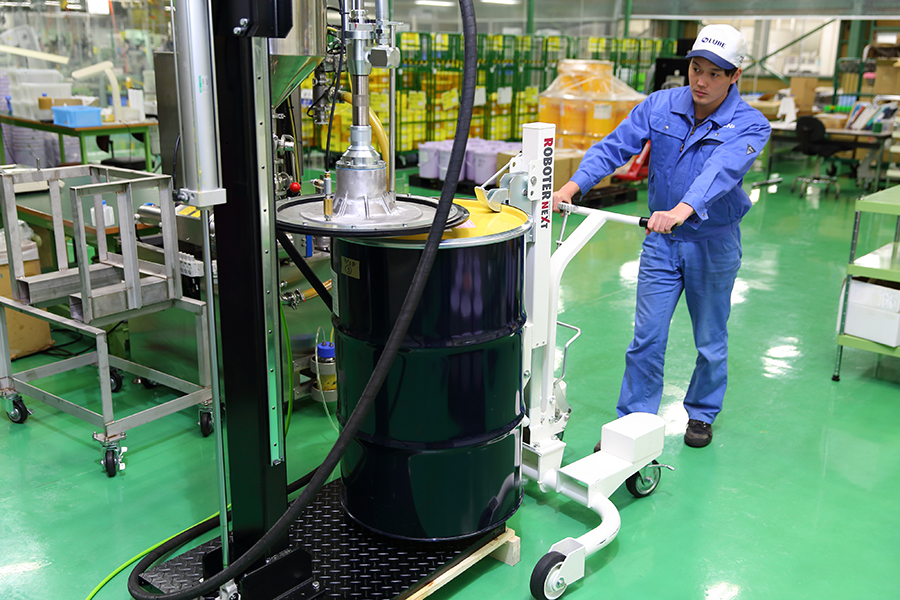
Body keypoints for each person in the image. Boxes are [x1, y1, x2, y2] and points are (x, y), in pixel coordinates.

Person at [552, 24, 771, 448]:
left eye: (714, 73)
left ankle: (702, 412)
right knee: (647, 337)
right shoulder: (660, 105)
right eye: (696, 69)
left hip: (713, 244)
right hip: (661, 243)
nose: (701, 81)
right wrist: (571, 187)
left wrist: (681, 210)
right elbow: (614, 147)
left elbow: (721, 170)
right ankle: (634, 425)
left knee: (710, 340)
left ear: (735, 76)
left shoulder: (750, 125)